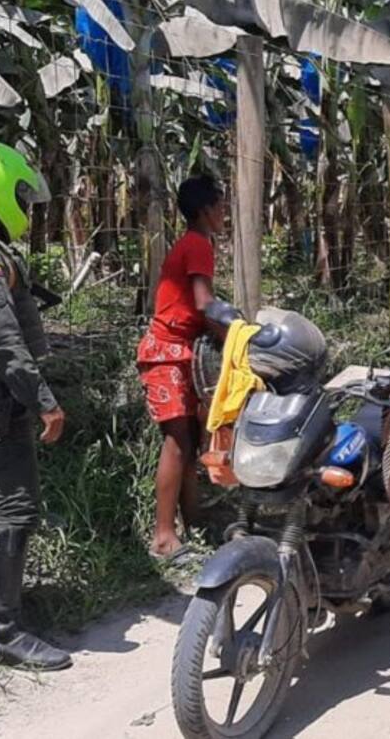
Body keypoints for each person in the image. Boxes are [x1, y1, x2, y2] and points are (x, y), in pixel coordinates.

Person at [0, 139, 70, 670]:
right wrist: (44, 402)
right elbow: (0, 340)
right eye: (20, 191)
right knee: (14, 511)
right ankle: (4, 631)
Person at [136, 175, 225, 561]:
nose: (224, 214)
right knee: (177, 444)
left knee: (189, 440)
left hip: (178, 350)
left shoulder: (194, 242)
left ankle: (194, 522)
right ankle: (163, 537)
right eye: (221, 206)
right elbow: (205, 304)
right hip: (167, 353)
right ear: (207, 210)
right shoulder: (198, 245)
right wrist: (235, 335)